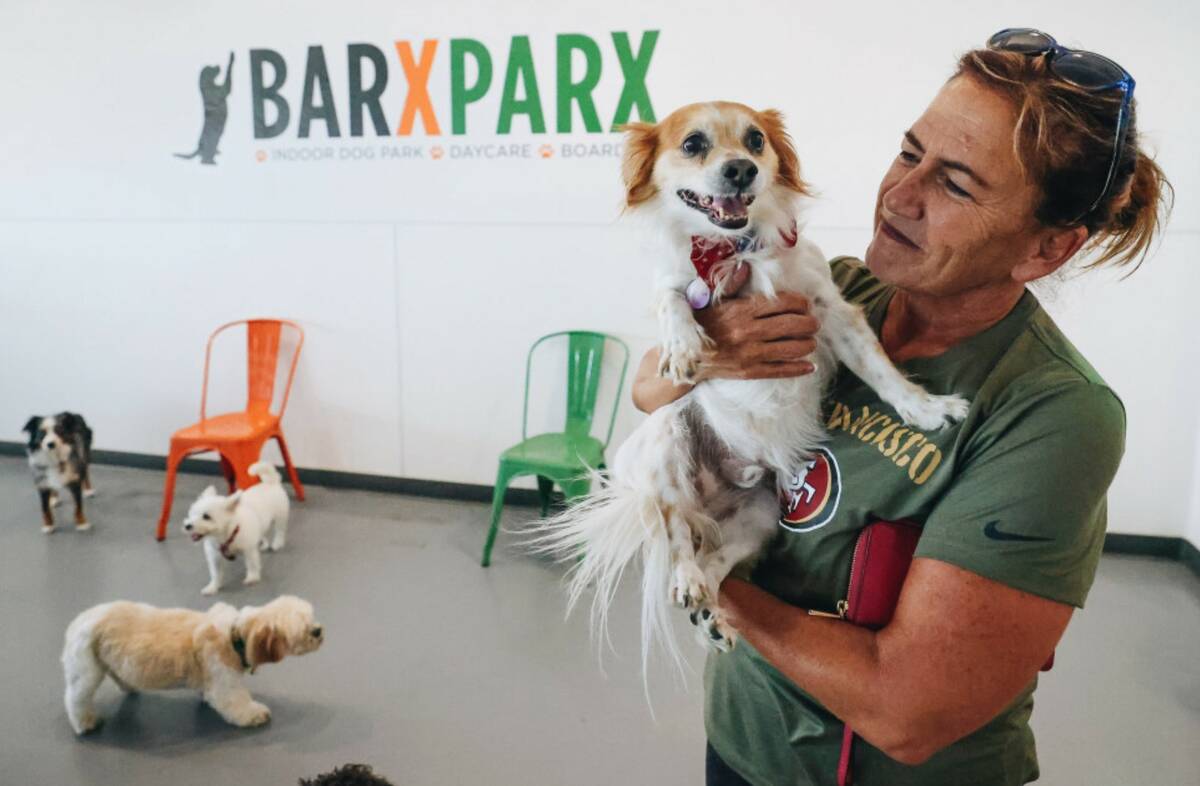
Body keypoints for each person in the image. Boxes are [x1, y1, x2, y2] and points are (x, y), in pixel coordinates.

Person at [631, 29, 1171, 786]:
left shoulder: (1054, 414)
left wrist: (705, 580)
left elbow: (905, 712)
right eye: (909, 151)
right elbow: (651, 386)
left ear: (1045, 250)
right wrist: (694, 360)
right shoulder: (839, 290)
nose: (900, 194)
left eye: (955, 184)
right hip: (743, 736)